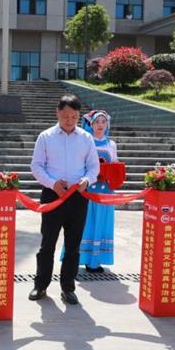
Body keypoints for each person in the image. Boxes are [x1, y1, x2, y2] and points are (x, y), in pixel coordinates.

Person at [29, 94, 100, 305]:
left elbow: (94, 166)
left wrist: (87, 180)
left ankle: (68, 287)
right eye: (66, 116)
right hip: (53, 195)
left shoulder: (86, 138)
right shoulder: (46, 137)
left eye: (74, 117)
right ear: (57, 113)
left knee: (73, 245)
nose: (70, 121)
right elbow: (36, 166)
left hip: (78, 196)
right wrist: (53, 184)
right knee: (47, 243)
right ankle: (41, 285)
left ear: (79, 116)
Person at [71, 109, 118, 273]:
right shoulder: (86, 142)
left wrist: (110, 174)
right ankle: (76, 259)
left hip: (105, 192)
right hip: (88, 190)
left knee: (102, 224)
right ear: (90, 124)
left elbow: (115, 164)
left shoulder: (111, 144)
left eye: (103, 122)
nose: (100, 125)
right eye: (97, 122)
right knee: (84, 224)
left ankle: (95, 262)